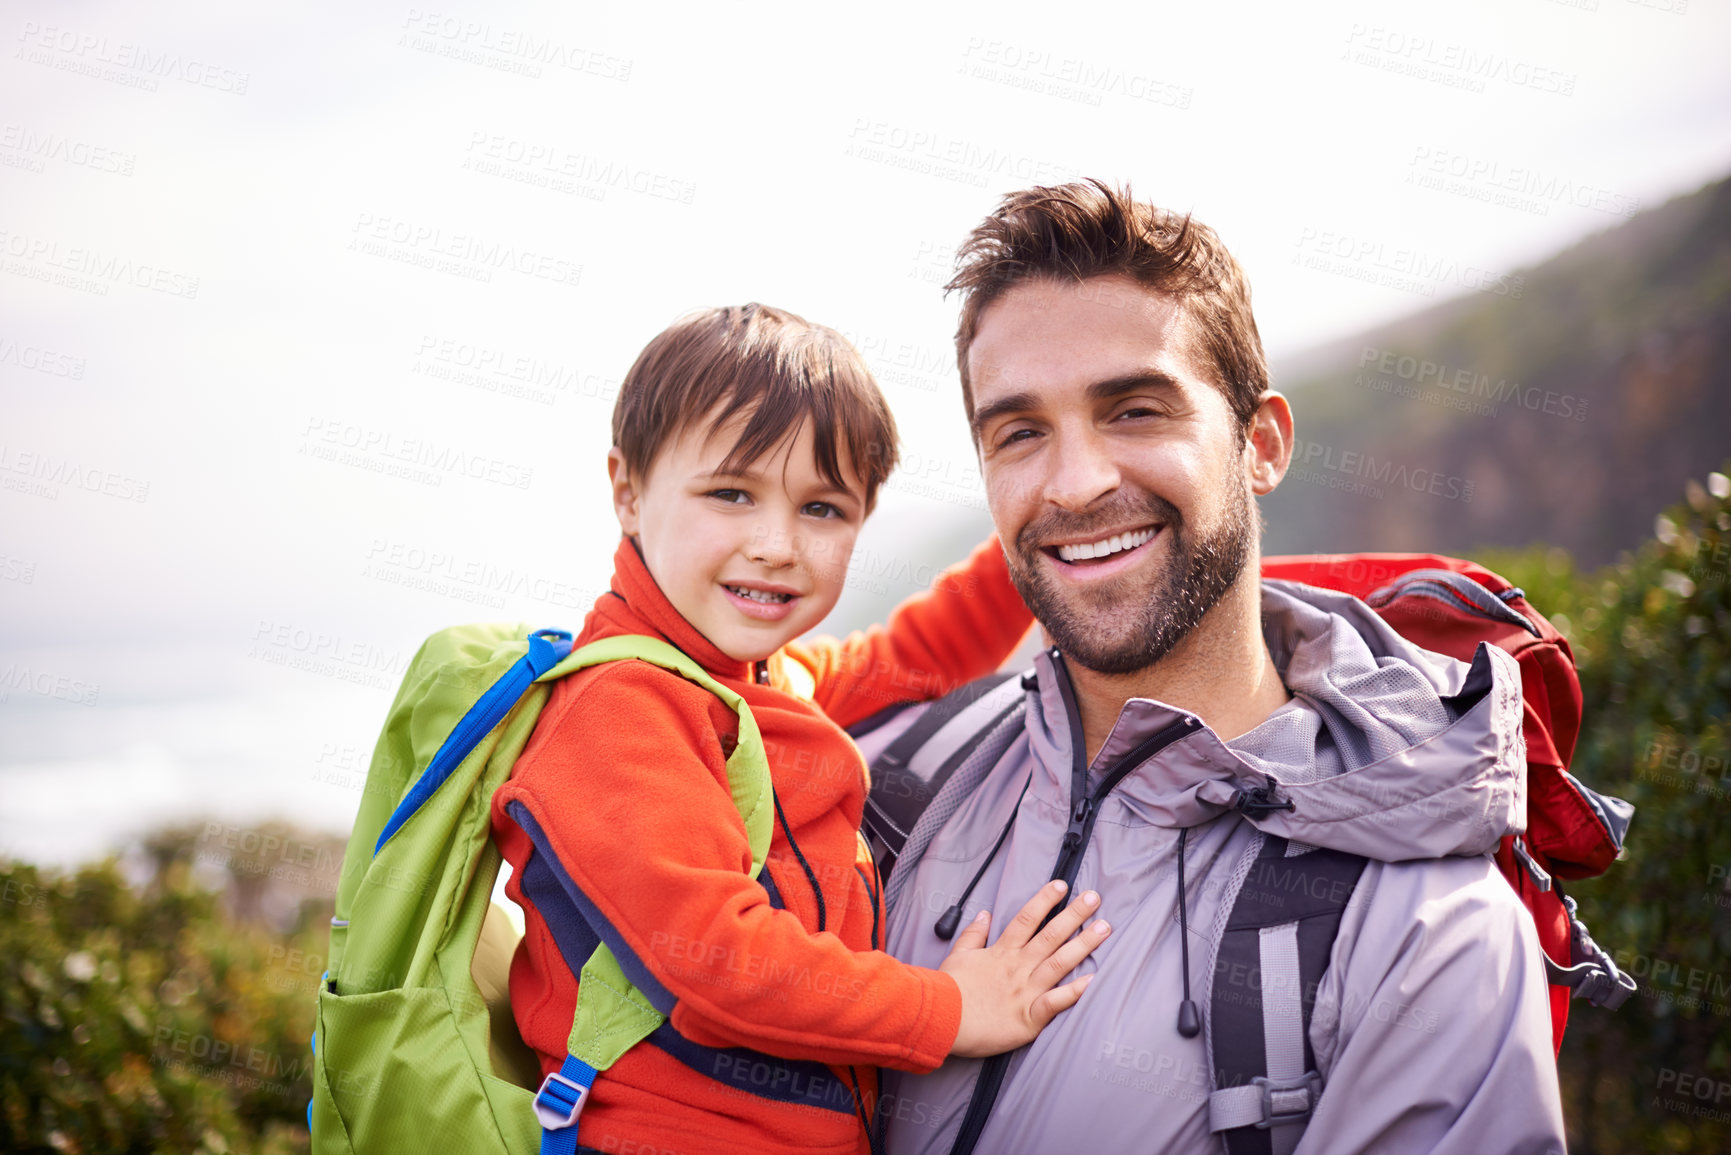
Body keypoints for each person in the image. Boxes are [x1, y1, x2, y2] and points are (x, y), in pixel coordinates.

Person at [860, 182, 1567, 1154]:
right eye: (1020, 432)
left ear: (1261, 443)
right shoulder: (890, 788)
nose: (1076, 482)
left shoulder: (1427, 935)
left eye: (1136, 410)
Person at [489, 303, 1112, 1155]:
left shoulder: (763, 679)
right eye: (730, 494)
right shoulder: (619, 707)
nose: (777, 544)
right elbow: (714, 957)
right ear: (628, 493)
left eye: (823, 509)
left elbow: (917, 655)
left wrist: (1038, 528)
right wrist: (950, 1007)